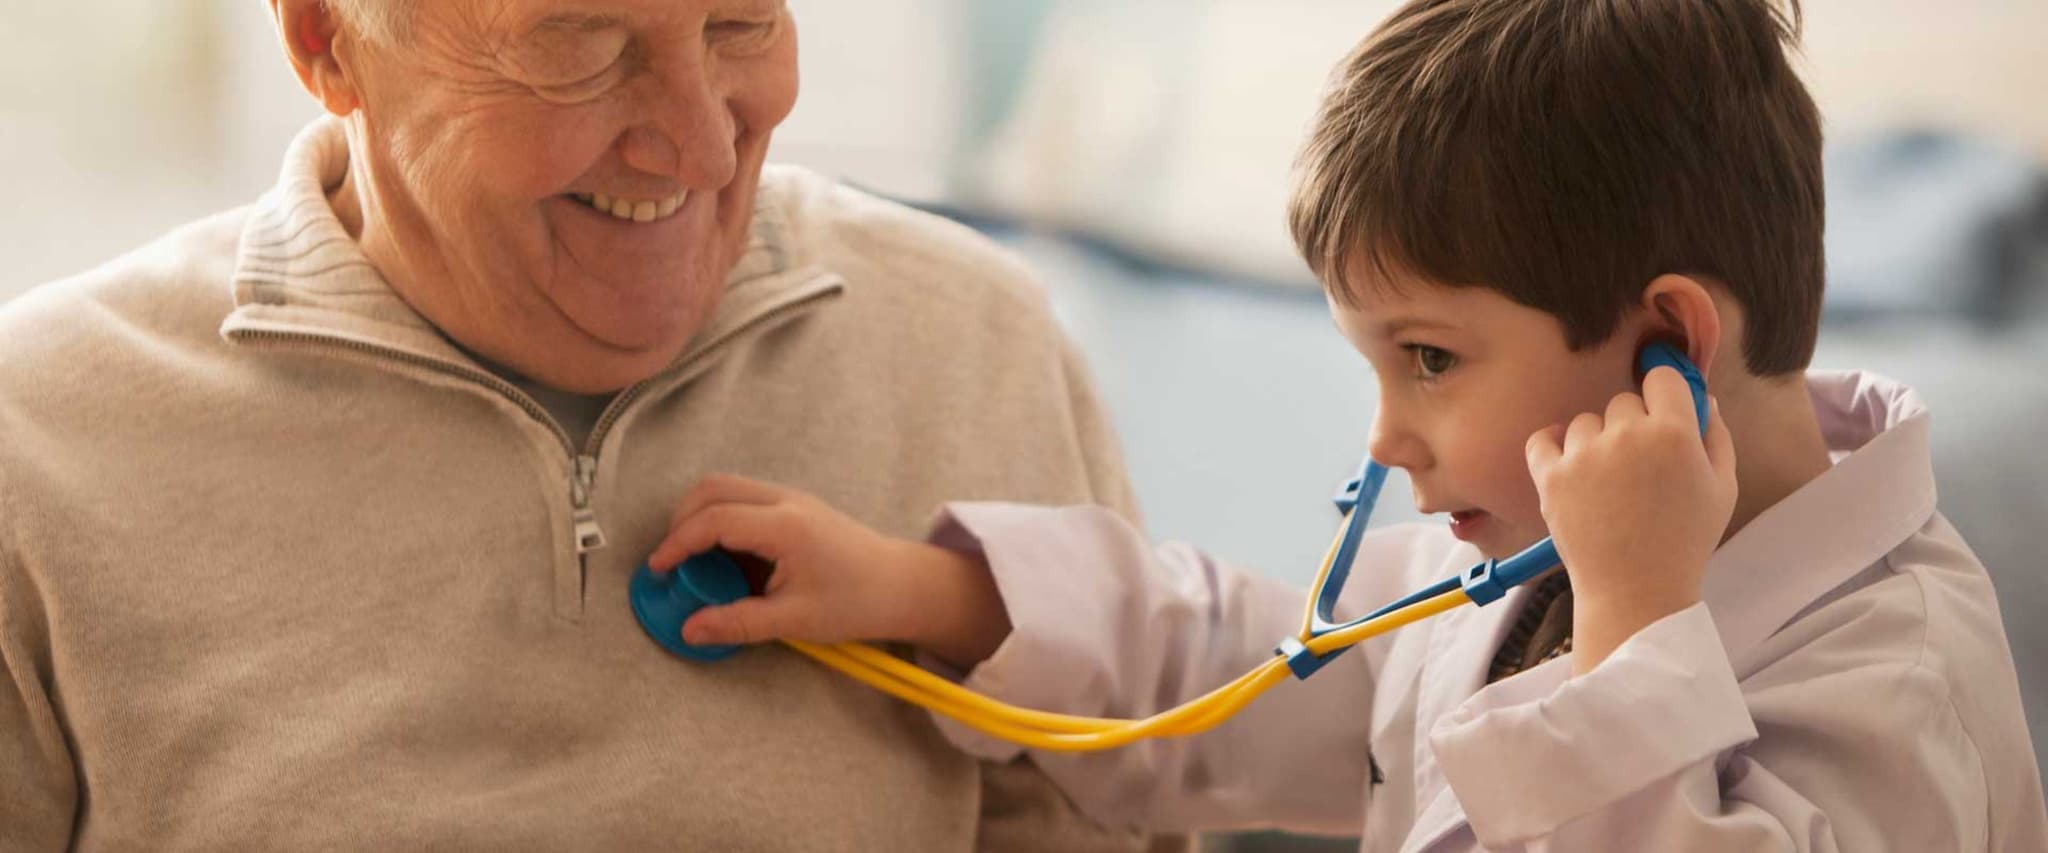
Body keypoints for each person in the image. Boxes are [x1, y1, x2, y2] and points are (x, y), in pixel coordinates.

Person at [651, 0, 2048, 849]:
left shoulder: (1897, 680)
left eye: (1431, 357)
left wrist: (1635, 627)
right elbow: (1246, 670)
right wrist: (925, 591)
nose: (1387, 438)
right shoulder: (1515, 573)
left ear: (1669, 349)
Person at [0, 1, 1175, 851]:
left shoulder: (972, 341)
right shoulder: (41, 437)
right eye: (580, 44)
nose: (706, 149)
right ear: (326, 39)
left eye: (738, 25)